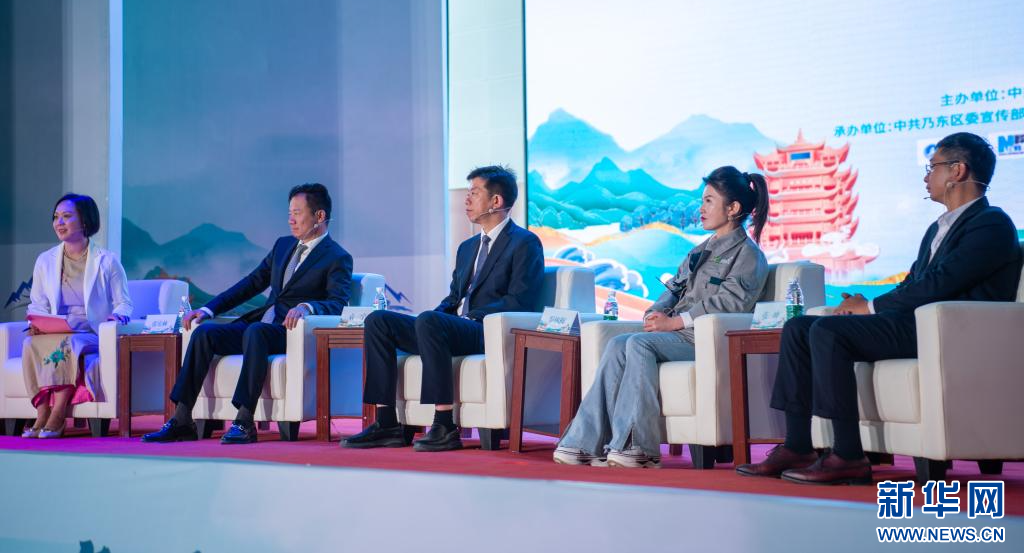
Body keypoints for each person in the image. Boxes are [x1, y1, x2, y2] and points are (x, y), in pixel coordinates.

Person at [738, 132, 1022, 485]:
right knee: (799, 328)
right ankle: (797, 445)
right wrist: (862, 305)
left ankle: (848, 455)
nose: (926, 176)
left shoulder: (991, 223)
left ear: (957, 171)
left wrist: (871, 306)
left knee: (828, 331)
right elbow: (914, 283)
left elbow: (942, 283)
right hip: (914, 324)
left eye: (932, 167)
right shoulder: (938, 227)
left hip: (950, 334)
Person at [553, 166, 771, 468]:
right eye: (703, 200)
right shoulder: (700, 250)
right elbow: (674, 288)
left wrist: (676, 322)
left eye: (709, 201)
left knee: (639, 344)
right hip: (677, 335)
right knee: (618, 344)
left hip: (707, 340)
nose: (701, 208)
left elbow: (731, 303)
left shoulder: (748, 254)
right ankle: (585, 443)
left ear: (733, 208)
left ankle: (638, 447)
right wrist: (655, 313)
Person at [343, 165, 544, 452]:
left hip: (487, 331)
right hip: (454, 329)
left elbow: (520, 301)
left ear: (496, 201)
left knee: (430, 322)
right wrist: (435, 316)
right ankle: (386, 423)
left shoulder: (524, 243)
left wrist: (467, 317)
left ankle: (444, 425)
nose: (466, 199)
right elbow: (453, 298)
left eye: (474, 193)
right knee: (379, 321)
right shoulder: (468, 247)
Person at [142, 183, 353, 444]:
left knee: (256, 332)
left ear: (319, 216)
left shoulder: (337, 257)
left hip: (290, 333)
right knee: (204, 334)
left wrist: (307, 307)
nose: (290, 220)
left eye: (297, 213)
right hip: (260, 327)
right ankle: (182, 419)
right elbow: (252, 283)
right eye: (289, 213)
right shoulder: (283, 245)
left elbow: (337, 303)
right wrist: (209, 308)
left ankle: (244, 421)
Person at [21, 194, 133, 439]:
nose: (59, 222)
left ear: (84, 221)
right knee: (30, 343)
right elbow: (38, 303)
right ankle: (41, 411)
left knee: (67, 343)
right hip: (57, 327)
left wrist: (116, 318)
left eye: (66, 216)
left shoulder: (107, 261)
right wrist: (37, 322)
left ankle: (58, 413)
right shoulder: (45, 260)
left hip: (90, 331)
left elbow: (124, 303)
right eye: (56, 217)